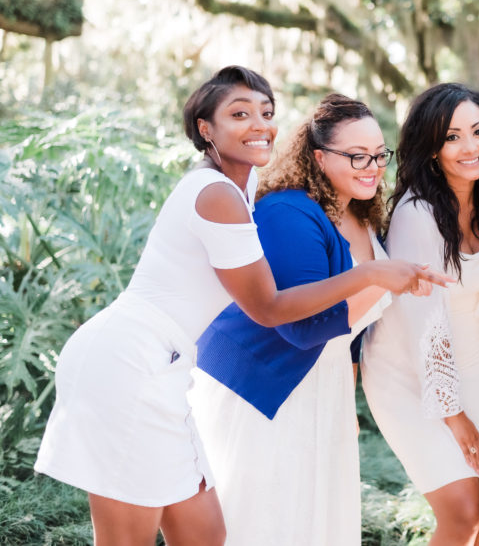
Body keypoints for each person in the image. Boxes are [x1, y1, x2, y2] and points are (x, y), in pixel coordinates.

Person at [33, 67, 447, 546]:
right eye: (239, 113)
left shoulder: (240, 189)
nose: (259, 124)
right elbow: (269, 309)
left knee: (206, 534)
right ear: (205, 129)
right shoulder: (215, 195)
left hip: (166, 367)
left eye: (266, 113)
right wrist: (371, 274)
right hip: (128, 363)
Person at [189, 94, 409, 545]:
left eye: (379, 154)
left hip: (322, 385)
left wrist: (345, 395)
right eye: (356, 156)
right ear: (318, 157)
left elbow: (347, 336)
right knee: (267, 521)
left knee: (316, 520)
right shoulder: (289, 211)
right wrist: (379, 279)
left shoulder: (362, 215)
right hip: (264, 385)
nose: (372, 166)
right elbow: (300, 325)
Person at [361, 83, 479, 546]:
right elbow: (422, 325)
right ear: (432, 149)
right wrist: (453, 414)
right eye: (452, 137)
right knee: (463, 513)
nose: (470, 147)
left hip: (477, 361)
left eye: (478, 132)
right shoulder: (417, 214)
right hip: (408, 371)